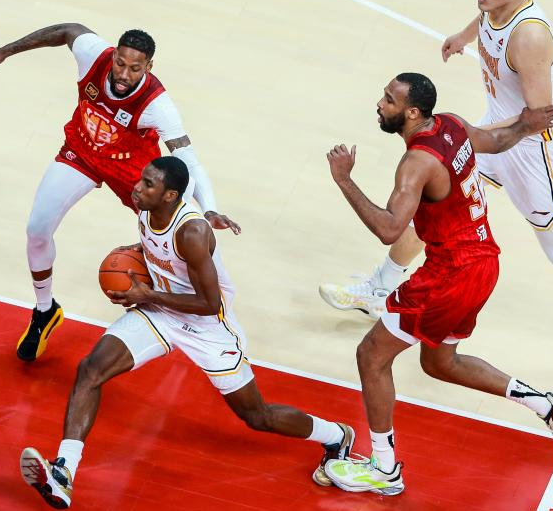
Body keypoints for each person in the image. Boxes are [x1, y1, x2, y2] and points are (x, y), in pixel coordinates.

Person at [318, 0, 553, 386]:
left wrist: (480, 139)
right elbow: (486, 19)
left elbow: (537, 116)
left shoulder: (530, 36)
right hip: (497, 130)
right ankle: (380, 287)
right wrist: (464, 37)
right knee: (436, 208)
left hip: (536, 152)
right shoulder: (497, 6)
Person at [18, 157, 352, 509]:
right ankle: (63, 473)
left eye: (149, 185)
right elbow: (156, 254)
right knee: (91, 370)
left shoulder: (191, 232)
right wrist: (133, 262)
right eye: (142, 180)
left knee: (257, 416)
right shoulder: (145, 210)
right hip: (160, 313)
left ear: (170, 195)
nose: (137, 188)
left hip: (207, 327)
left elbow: (210, 302)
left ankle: (337, 435)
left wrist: (147, 294)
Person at [321, 73, 553, 495]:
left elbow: (389, 229)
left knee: (371, 355)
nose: (380, 104)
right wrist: (527, 126)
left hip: (450, 273)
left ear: (413, 113)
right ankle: (550, 407)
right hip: (484, 262)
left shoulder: (416, 163)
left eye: (389, 100)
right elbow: (495, 141)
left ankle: (384, 470)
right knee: (439, 363)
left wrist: (345, 179)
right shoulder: (453, 125)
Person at [0, 24, 240, 363]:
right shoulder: (93, 55)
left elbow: (188, 158)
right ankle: (44, 310)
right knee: (37, 230)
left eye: (135, 68)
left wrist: (211, 208)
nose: (124, 73)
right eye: (120, 63)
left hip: (132, 168)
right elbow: (67, 30)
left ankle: (213, 309)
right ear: (113, 55)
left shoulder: (158, 105)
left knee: (188, 234)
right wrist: (6, 50)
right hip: (82, 153)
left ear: (149, 68)